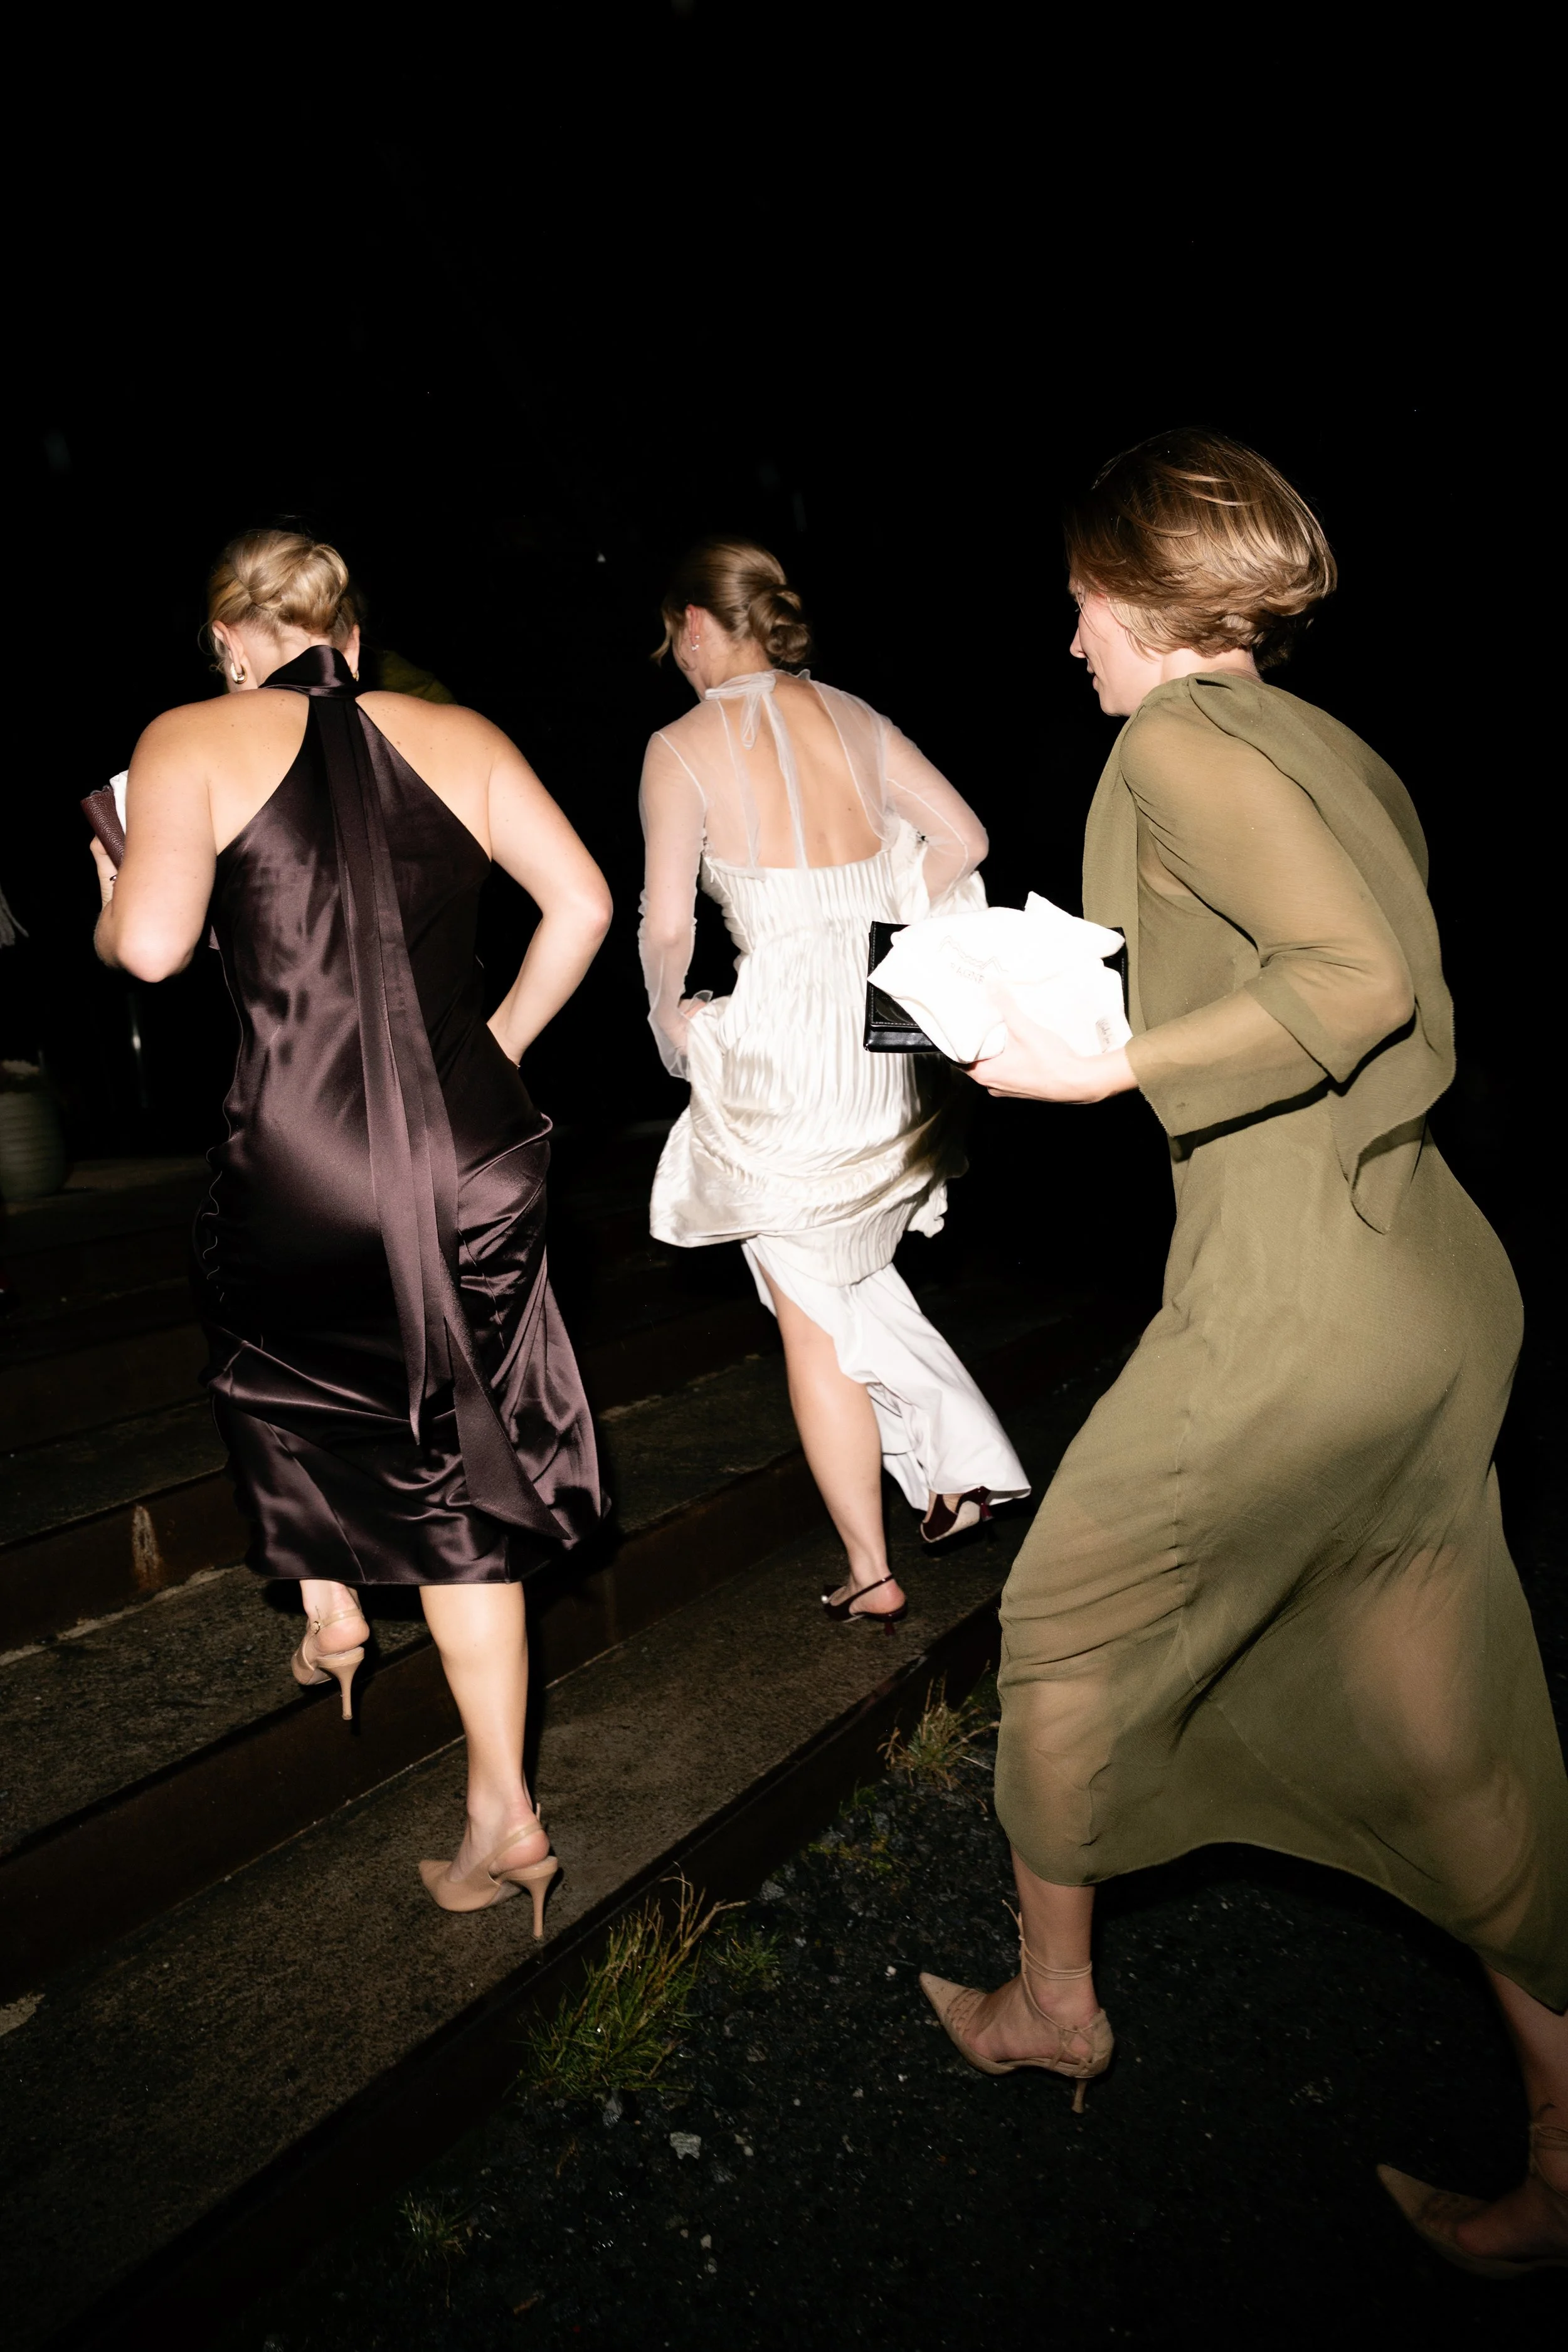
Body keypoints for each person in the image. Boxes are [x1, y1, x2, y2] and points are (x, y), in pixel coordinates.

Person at [919, 432, 1568, 2276]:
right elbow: (1320, 962)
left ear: (1133, 593)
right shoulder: (1324, 741)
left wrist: (1107, 1063)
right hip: (1425, 1275)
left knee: (1058, 1624)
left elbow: (1353, 977)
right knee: (1451, 1730)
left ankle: (1053, 2004)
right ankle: (1560, 2167)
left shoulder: (1178, 740)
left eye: (1076, 604)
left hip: (1301, 1297)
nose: (1067, 644)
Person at [92, 529, 611, 1931]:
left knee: (265, 1339)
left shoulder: (190, 735)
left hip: (312, 1147)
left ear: (228, 641)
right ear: (353, 638)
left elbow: (149, 952)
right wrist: (491, 1046)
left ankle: (329, 1600)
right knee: (456, 1451)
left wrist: (108, 895)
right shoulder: (462, 732)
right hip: (475, 1144)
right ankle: (501, 1804)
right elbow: (584, 904)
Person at [638, 538, 1027, 1623]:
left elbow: (668, 923)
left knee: (809, 1313)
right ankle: (955, 1465)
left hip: (783, 1037)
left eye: (676, 633)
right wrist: (882, 909)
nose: (676, 656)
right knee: (839, 1272)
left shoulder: (680, 745)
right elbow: (965, 836)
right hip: (879, 1029)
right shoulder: (857, 717)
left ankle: (871, 1566)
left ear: (702, 624)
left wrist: (677, 1021)